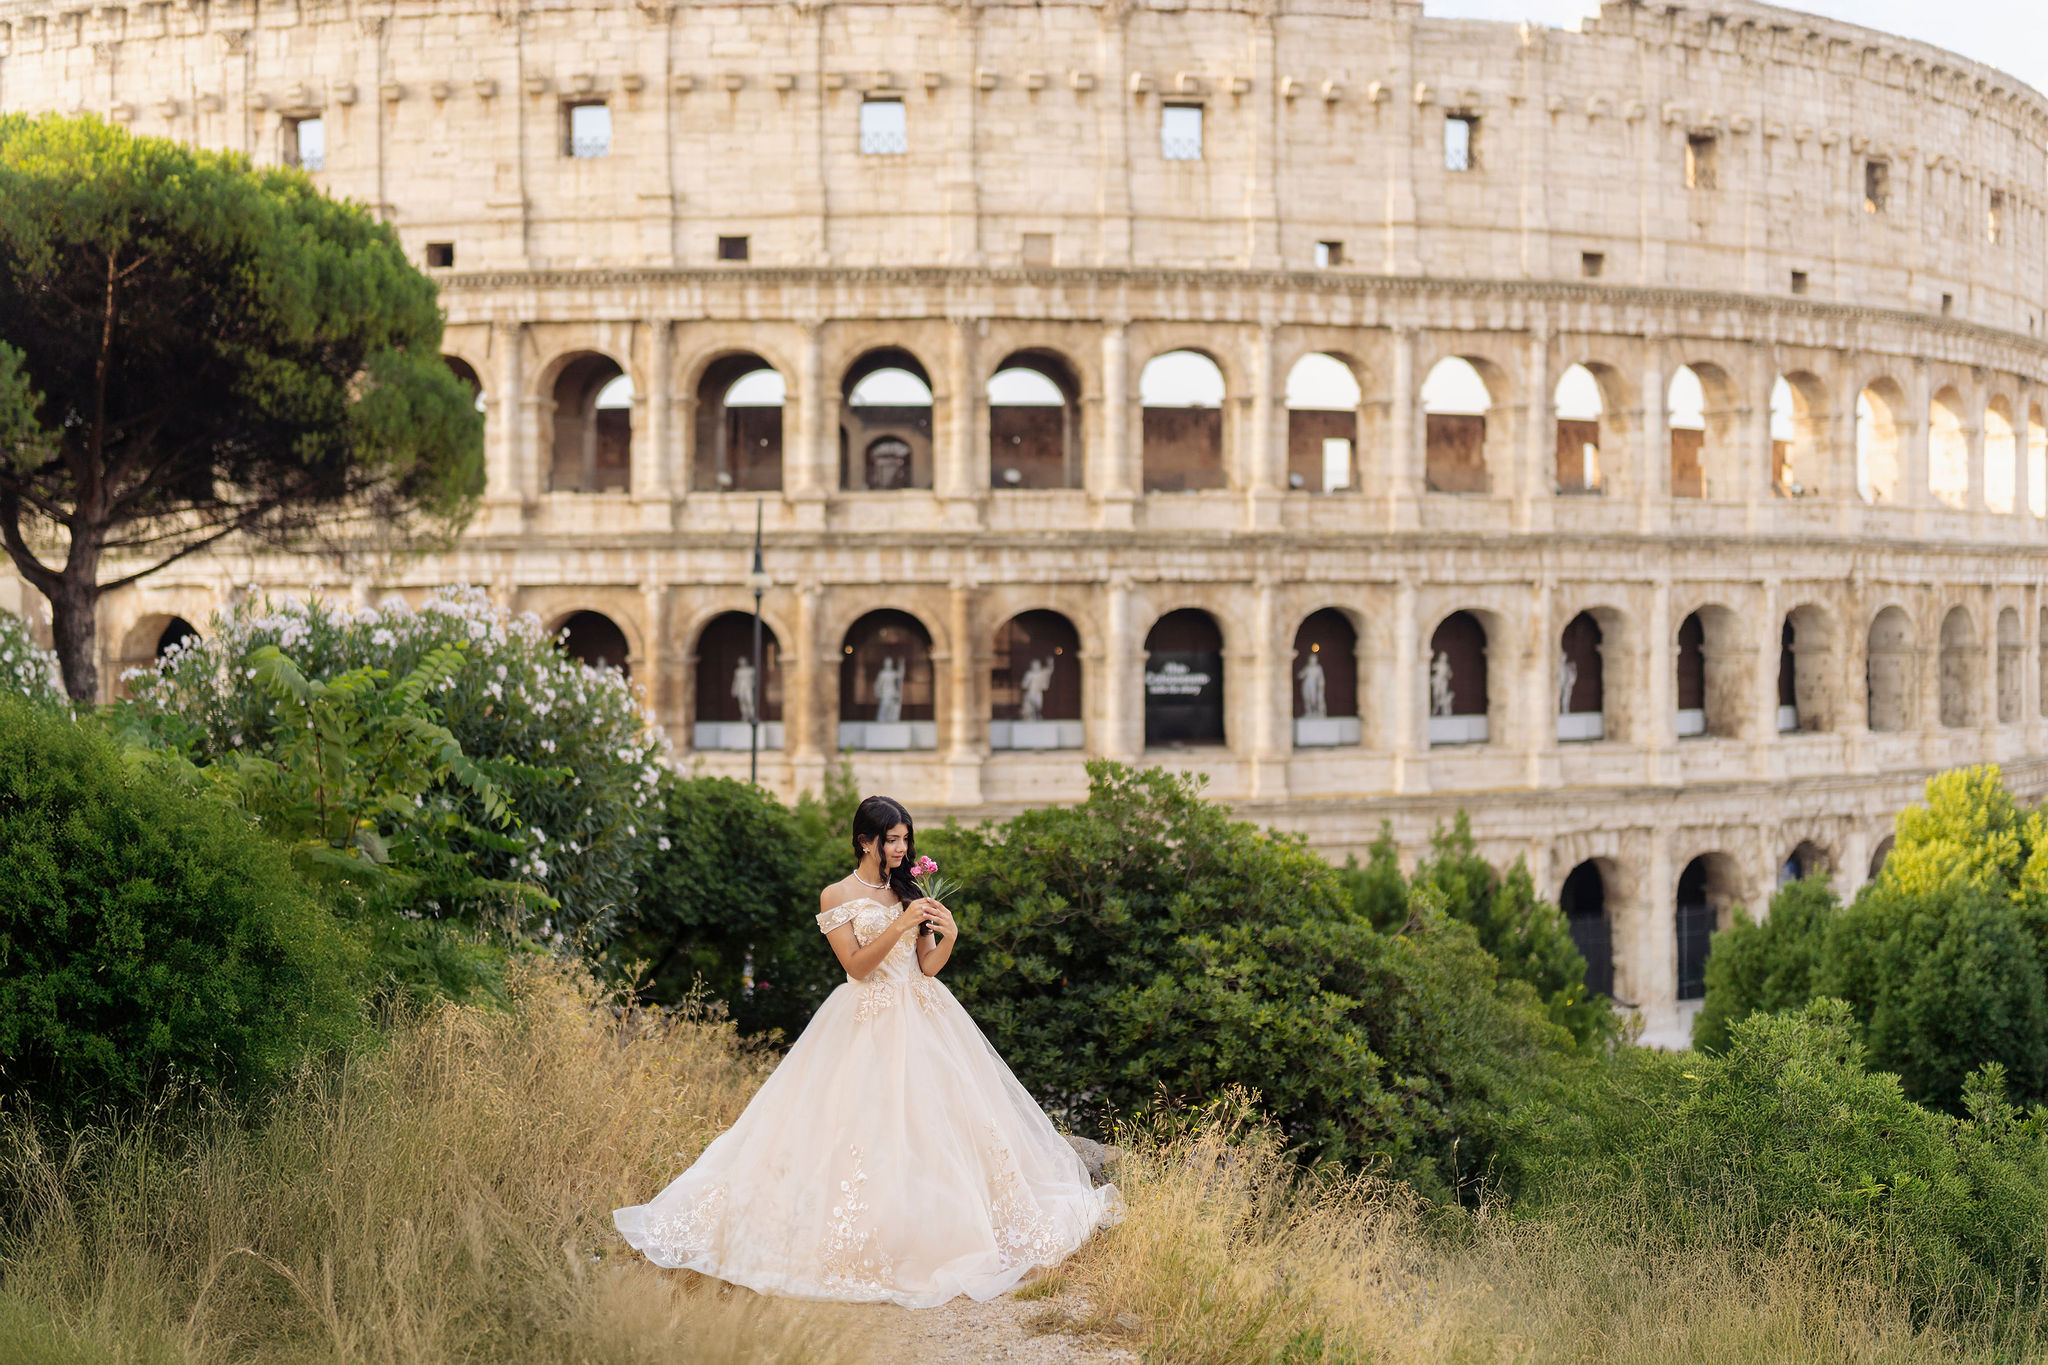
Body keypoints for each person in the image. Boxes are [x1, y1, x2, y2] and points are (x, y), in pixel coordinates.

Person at [613, 795, 1119, 1307]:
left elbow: (926, 967)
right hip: (865, 1018)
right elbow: (856, 966)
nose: (901, 848)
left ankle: (939, 1224)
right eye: (891, 840)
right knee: (858, 1125)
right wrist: (898, 924)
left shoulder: (910, 889)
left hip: (925, 1015)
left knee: (937, 1124)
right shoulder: (836, 895)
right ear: (865, 840)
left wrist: (949, 936)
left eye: (905, 839)